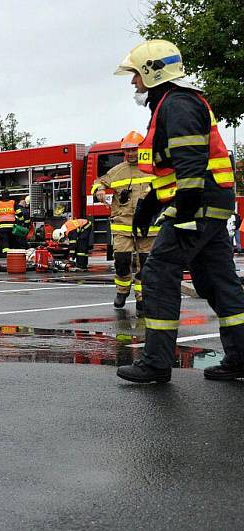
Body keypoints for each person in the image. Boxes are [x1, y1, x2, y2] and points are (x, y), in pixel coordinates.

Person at [114, 39, 244, 383]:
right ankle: (241, 357)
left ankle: (156, 362)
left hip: (197, 205)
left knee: (158, 273)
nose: (132, 83)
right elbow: (170, 171)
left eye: (135, 76)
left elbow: (190, 167)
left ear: (152, 72)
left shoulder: (178, 105)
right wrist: (148, 206)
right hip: (212, 204)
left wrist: (183, 214)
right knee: (219, 282)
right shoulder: (173, 104)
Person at [92, 131, 158, 313]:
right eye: (127, 151)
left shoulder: (152, 168)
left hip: (148, 227)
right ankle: (122, 291)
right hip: (123, 225)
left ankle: (142, 298)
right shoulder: (117, 171)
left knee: (146, 264)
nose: (130, 154)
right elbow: (99, 182)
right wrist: (99, 190)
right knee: (122, 260)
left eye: (134, 150)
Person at [0, 189, 16, 257]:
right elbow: (19, 214)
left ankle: (5, 256)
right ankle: (13, 256)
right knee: (12, 241)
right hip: (13, 227)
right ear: (9, 195)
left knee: (4, 242)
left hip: (2, 227)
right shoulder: (13, 202)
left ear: (2, 196)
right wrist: (22, 224)